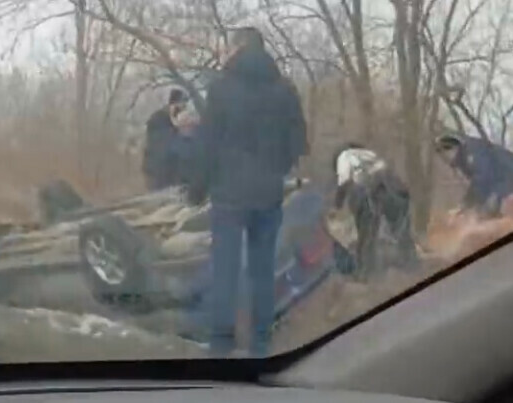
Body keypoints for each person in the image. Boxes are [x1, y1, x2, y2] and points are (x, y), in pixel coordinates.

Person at [189, 27, 308, 357]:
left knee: (225, 267)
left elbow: (207, 144)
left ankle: (221, 345)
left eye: (230, 46)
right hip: (268, 193)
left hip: (229, 193)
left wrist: (198, 187)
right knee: (262, 270)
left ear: (238, 47)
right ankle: (260, 344)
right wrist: (275, 170)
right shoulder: (285, 89)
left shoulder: (221, 88)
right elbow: (299, 142)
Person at [332, 143, 419, 280]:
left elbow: (344, 181)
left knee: (367, 233)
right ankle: (411, 265)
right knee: (401, 229)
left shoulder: (345, 156)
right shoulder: (369, 153)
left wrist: (337, 204)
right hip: (394, 185)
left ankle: (365, 273)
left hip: (366, 189)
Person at [435, 133, 513, 218]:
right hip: (505, 181)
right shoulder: (464, 159)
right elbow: (481, 184)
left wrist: (466, 204)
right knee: (487, 209)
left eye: (444, 152)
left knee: (498, 207)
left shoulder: (472, 152)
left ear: (454, 148)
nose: (443, 158)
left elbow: (483, 178)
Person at [142, 88, 193, 191]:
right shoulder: (158, 119)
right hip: (158, 171)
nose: (184, 108)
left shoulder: (175, 121)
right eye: (182, 104)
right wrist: (178, 128)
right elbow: (161, 144)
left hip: (171, 170)